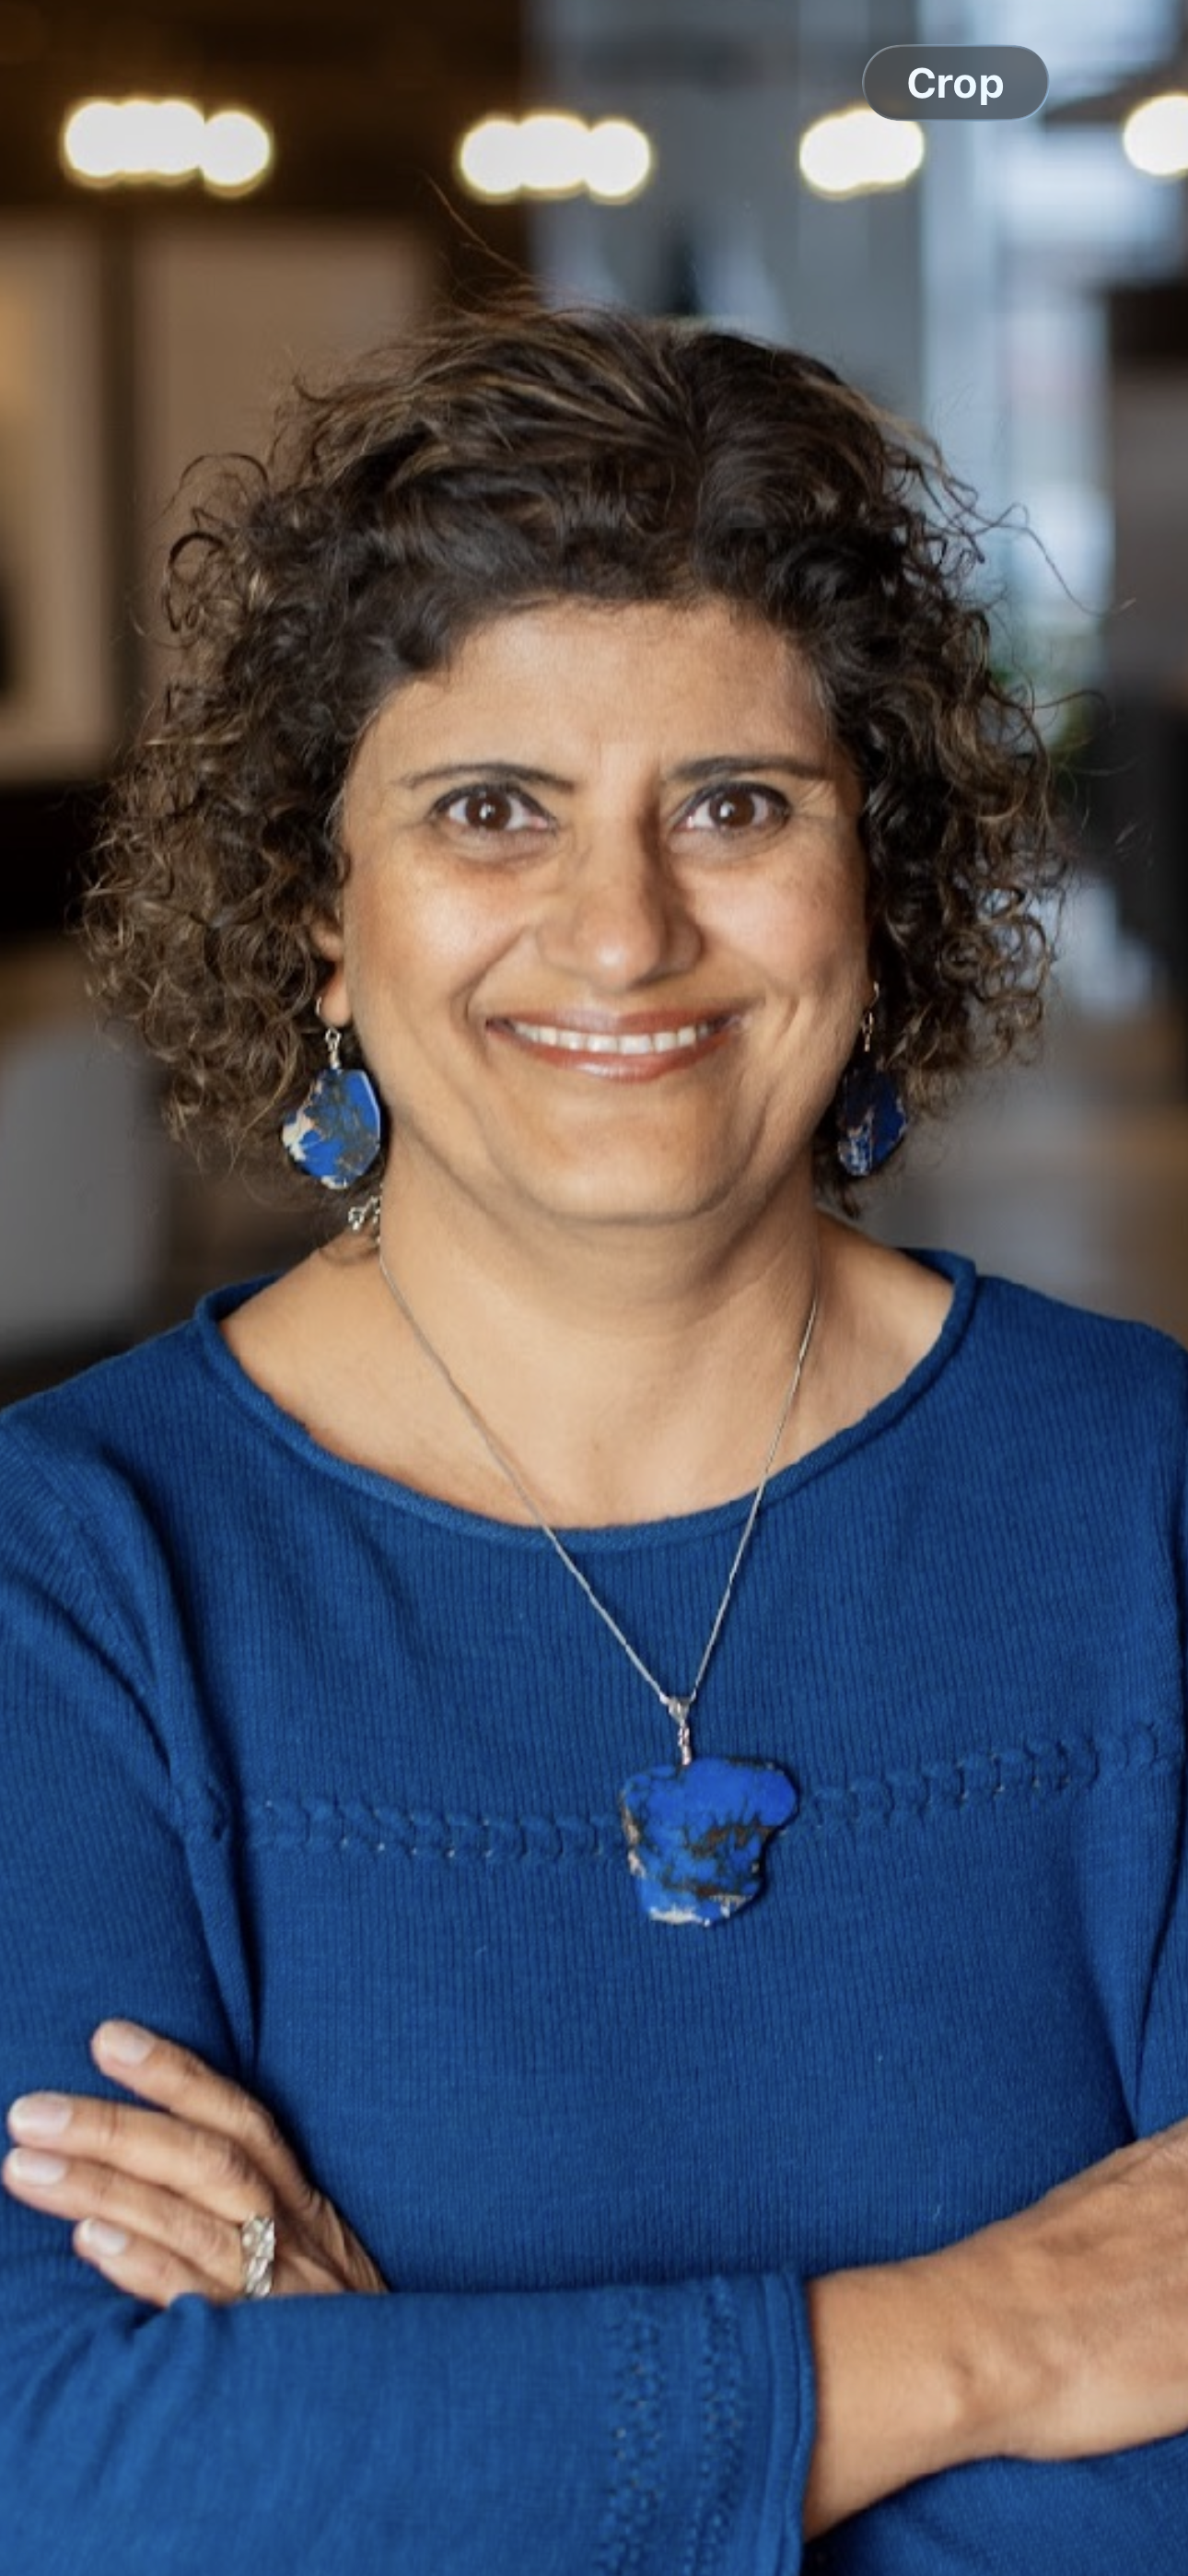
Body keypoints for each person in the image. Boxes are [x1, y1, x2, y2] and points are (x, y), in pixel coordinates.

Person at [2, 295, 1187, 2576]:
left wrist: (408, 2437)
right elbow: (56, 2465)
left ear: (886, 879)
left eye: (734, 805)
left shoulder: (1147, 1507)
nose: (622, 930)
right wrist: (991, 2346)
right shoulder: (75, 1573)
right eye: (489, 811)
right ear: (317, 913)